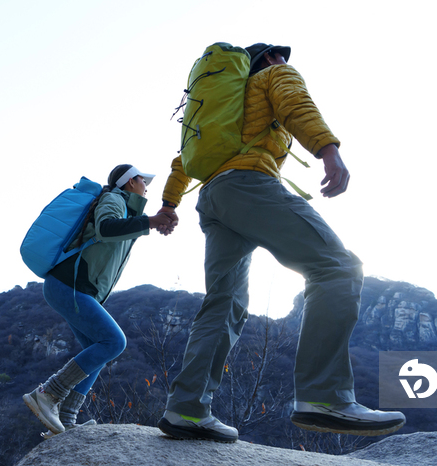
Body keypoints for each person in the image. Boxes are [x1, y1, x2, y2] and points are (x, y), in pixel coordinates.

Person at [156, 43, 406, 442]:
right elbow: (295, 103)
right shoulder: (276, 74)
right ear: (270, 58)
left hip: (213, 199)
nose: (285, 60)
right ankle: (324, 396)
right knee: (336, 267)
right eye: (280, 55)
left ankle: (186, 409)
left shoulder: (216, 111)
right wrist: (329, 151)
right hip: (250, 185)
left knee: (223, 303)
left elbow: (181, 160)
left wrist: (169, 205)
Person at [23, 164, 177, 438]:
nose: (146, 187)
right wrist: (152, 221)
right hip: (68, 284)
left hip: (71, 288)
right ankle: (48, 394)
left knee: (97, 351)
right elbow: (106, 228)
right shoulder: (113, 199)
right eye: (143, 181)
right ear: (130, 182)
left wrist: (154, 223)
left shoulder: (126, 210)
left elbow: (114, 231)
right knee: (114, 342)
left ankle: (67, 419)